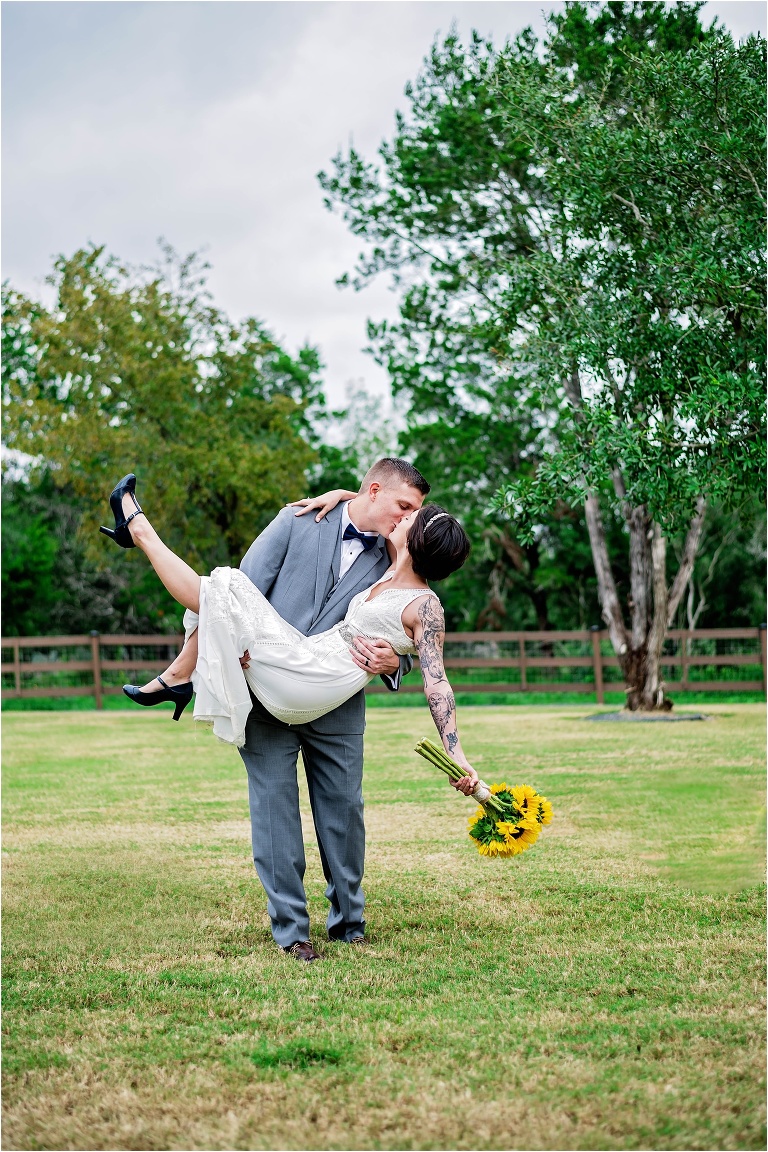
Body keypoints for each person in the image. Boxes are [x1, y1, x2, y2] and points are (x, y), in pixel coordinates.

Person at [101, 461, 479, 961]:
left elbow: (421, 648)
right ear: (372, 490)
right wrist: (229, 638)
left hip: (336, 699)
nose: (408, 517)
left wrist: (395, 663)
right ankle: (292, 932)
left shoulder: (398, 550)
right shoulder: (299, 520)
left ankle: (349, 922)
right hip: (268, 680)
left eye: (413, 513)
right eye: (404, 507)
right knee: (274, 811)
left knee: (345, 816)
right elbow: (244, 591)